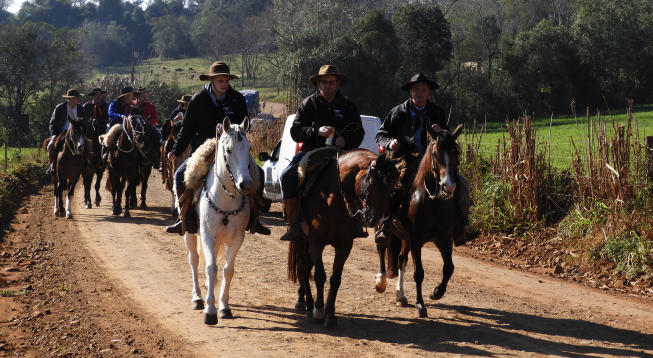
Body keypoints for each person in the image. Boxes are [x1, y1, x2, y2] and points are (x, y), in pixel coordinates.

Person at [165, 61, 270, 237]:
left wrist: (230, 129)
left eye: (227, 81)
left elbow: (245, 125)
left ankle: (254, 219)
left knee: (259, 172)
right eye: (221, 80)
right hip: (204, 148)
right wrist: (175, 151)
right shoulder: (198, 100)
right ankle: (185, 219)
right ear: (212, 80)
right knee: (179, 175)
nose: (224, 84)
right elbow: (187, 129)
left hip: (233, 148)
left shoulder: (237, 99)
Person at [374, 72, 479, 247]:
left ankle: (461, 228)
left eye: (423, 89)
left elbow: (447, 140)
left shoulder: (437, 112)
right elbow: (381, 134)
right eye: (416, 89)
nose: (419, 92)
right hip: (405, 159)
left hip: (433, 162)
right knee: (390, 186)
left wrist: (441, 132)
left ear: (429, 91)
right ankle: (384, 226)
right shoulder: (398, 112)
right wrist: (390, 142)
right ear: (410, 91)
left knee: (463, 184)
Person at [279, 64, 365, 241]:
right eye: (324, 82)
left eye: (331, 82)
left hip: (342, 154)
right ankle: (293, 222)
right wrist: (316, 131)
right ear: (319, 83)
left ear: (337, 83)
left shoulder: (348, 106)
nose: (328, 85)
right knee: (287, 175)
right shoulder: (308, 104)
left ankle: (358, 222)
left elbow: (359, 132)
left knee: (361, 177)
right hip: (312, 152)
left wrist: (346, 141)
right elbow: (295, 132)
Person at [47, 89, 93, 174]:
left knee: (89, 144)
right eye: (77, 98)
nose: (79, 99)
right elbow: (53, 123)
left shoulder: (80, 108)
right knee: (50, 145)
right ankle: (52, 165)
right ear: (71, 98)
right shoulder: (60, 108)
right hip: (62, 133)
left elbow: (85, 121)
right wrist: (54, 134)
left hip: (77, 132)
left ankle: (88, 164)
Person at [133, 87, 162, 165]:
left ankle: (159, 159)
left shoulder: (151, 106)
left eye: (146, 95)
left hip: (147, 127)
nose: (146, 97)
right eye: (143, 96)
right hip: (134, 128)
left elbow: (155, 119)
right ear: (137, 97)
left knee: (159, 137)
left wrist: (148, 121)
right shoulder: (132, 105)